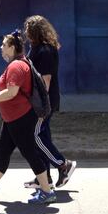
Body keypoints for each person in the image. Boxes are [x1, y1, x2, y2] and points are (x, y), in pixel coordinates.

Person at [0, 32, 56, 205]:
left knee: (29, 152)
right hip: (12, 118)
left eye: (4, 44)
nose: (1, 47)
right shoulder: (18, 63)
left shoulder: (16, 66)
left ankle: (47, 191)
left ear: (12, 47)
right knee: (3, 152)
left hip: (20, 118)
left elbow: (11, 92)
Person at [23, 14, 75, 188]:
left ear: (34, 31)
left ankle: (62, 164)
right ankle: (44, 178)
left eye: (28, 30)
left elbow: (45, 80)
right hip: (40, 101)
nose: (26, 33)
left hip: (44, 102)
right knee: (43, 136)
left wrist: (40, 106)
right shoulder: (37, 47)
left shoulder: (45, 51)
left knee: (35, 135)